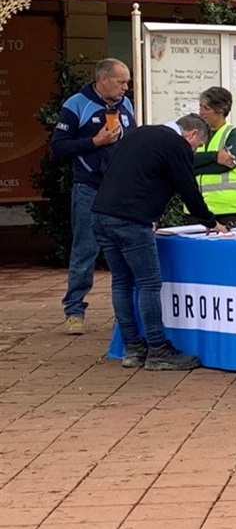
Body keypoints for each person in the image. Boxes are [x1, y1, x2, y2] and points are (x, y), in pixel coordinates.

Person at [91, 114, 230, 371]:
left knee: (121, 282)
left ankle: (132, 348)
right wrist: (210, 222)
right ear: (191, 135)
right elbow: (187, 187)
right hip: (130, 220)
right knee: (149, 283)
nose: (194, 151)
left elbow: (129, 174)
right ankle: (157, 349)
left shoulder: (141, 133)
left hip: (102, 214)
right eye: (198, 146)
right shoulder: (175, 143)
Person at [51, 58, 134, 336]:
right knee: (85, 250)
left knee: (125, 251)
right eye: (121, 81)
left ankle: (125, 313)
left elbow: (132, 141)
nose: (126, 87)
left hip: (120, 190)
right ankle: (74, 311)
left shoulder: (126, 105)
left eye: (127, 82)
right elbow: (58, 147)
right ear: (103, 80)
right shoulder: (77, 104)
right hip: (89, 188)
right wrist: (94, 142)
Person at [187, 86, 236, 227]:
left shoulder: (235, 134)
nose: (201, 112)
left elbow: (227, 164)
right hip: (197, 209)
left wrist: (195, 166)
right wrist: (215, 156)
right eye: (200, 107)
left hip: (230, 209)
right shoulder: (194, 135)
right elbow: (184, 161)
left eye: (206, 108)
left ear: (220, 110)